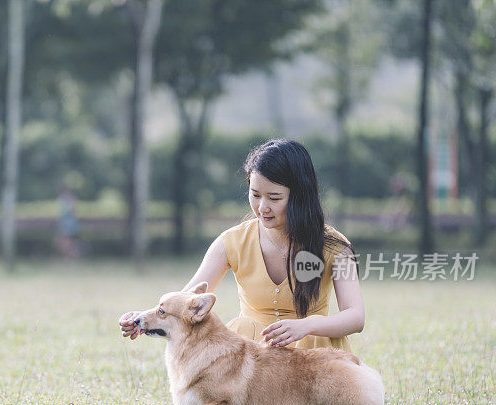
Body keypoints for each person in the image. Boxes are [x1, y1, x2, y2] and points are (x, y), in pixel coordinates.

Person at [119, 138, 363, 354]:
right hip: (252, 359)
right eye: (255, 194)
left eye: (274, 198)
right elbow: (185, 301)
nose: (262, 207)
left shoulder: (335, 247)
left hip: (315, 359)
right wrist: (142, 319)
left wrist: (308, 325)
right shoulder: (231, 242)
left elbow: (356, 317)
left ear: (300, 195)